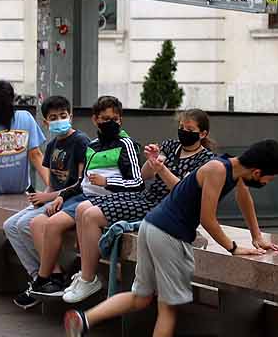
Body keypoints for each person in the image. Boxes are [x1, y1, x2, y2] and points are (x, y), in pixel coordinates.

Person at [63, 139, 278, 337]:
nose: (267, 184)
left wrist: (257, 236)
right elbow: (208, 219)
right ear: (258, 172)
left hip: (151, 226)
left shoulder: (231, 167)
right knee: (168, 308)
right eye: (269, 179)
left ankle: (83, 319)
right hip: (170, 236)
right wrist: (233, 248)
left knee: (140, 297)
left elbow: (244, 198)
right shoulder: (218, 171)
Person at [65, 109, 219, 304]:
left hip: (167, 209)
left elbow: (184, 192)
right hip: (147, 198)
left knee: (92, 215)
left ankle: (89, 278)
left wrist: (162, 170)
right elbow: (145, 175)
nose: (183, 132)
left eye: (189, 129)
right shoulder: (171, 146)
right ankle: (84, 274)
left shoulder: (206, 161)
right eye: (181, 127)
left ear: (203, 133)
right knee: (81, 209)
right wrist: (152, 161)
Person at [28, 96, 141, 299]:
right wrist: (62, 195)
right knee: (38, 221)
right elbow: (83, 182)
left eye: (115, 119)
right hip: (84, 196)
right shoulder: (94, 146)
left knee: (68, 217)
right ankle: (53, 278)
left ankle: (56, 279)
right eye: (105, 119)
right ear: (95, 120)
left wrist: (108, 183)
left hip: (109, 200)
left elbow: (137, 183)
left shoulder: (126, 144)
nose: (111, 123)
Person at [5, 97, 90, 309]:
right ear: (45, 122)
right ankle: (38, 277)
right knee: (10, 225)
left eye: (63, 116)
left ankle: (53, 278)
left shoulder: (80, 141)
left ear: (71, 116)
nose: (59, 120)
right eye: (53, 118)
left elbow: (81, 184)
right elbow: (52, 183)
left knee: (27, 224)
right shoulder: (52, 145)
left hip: (71, 199)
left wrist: (47, 198)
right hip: (53, 197)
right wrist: (40, 198)